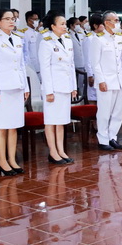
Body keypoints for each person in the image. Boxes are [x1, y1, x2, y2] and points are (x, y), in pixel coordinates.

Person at [0, 9, 29, 175]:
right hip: (2, 89)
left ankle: (12, 159)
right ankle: (2, 161)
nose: (12, 22)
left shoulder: (17, 39)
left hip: (16, 87)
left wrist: (26, 87)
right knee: (2, 126)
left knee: (14, 126)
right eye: (7, 19)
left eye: (13, 19)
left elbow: (22, 65)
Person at [39, 11, 77, 162]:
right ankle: (53, 152)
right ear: (53, 26)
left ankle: (61, 151)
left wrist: (73, 86)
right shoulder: (46, 42)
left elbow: (71, 65)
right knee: (51, 121)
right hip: (53, 88)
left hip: (65, 86)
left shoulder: (67, 40)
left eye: (65, 23)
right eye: (61, 24)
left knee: (61, 121)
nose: (64, 26)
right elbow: (45, 68)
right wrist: (48, 91)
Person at [90, 11, 122, 151]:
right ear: (107, 23)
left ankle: (112, 136)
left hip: (119, 80)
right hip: (106, 81)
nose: (118, 23)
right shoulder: (98, 39)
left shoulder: (119, 38)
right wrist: (100, 80)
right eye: (115, 20)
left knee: (118, 111)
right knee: (104, 111)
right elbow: (95, 63)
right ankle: (103, 139)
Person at [82, 13, 101, 104]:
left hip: (101, 71)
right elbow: (87, 58)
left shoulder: (102, 37)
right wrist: (90, 75)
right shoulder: (89, 38)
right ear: (95, 26)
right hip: (93, 73)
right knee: (93, 97)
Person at [67, 17, 86, 98]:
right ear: (71, 25)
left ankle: (81, 96)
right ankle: (76, 96)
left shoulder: (81, 34)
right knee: (75, 81)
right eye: (76, 24)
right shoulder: (67, 35)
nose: (78, 26)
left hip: (82, 61)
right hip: (74, 62)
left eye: (79, 24)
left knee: (81, 82)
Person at [21, 11, 41, 79]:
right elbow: (26, 52)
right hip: (32, 66)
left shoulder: (37, 33)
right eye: (35, 19)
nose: (37, 21)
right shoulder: (25, 33)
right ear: (29, 20)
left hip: (39, 66)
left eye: (37, 19)